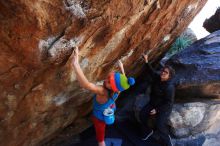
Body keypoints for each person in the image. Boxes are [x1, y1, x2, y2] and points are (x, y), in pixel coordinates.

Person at [72, 46, 135, 146]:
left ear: (113, 88)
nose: (106, 80)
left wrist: (75, 64)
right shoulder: (118, 91)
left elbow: (86, 85)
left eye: (109, 82)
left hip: (99, 118)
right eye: (109, 78)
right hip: (110, 106)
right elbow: (125, 83)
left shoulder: (103, 91)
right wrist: (122, 67)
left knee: (101, 140)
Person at [139, 53, 175, 146]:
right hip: (153, 103)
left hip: (164, 107)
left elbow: (169, 103)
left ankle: (168, 142)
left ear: (169, 76)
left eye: (166, 72)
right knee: (142, 114)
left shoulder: (169, 87)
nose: (163, 73)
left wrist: (157, 110)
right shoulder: (158, 78)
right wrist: (146, 61)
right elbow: (151, 71)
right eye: (163, 70)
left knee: (160, 124)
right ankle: (148, 131)